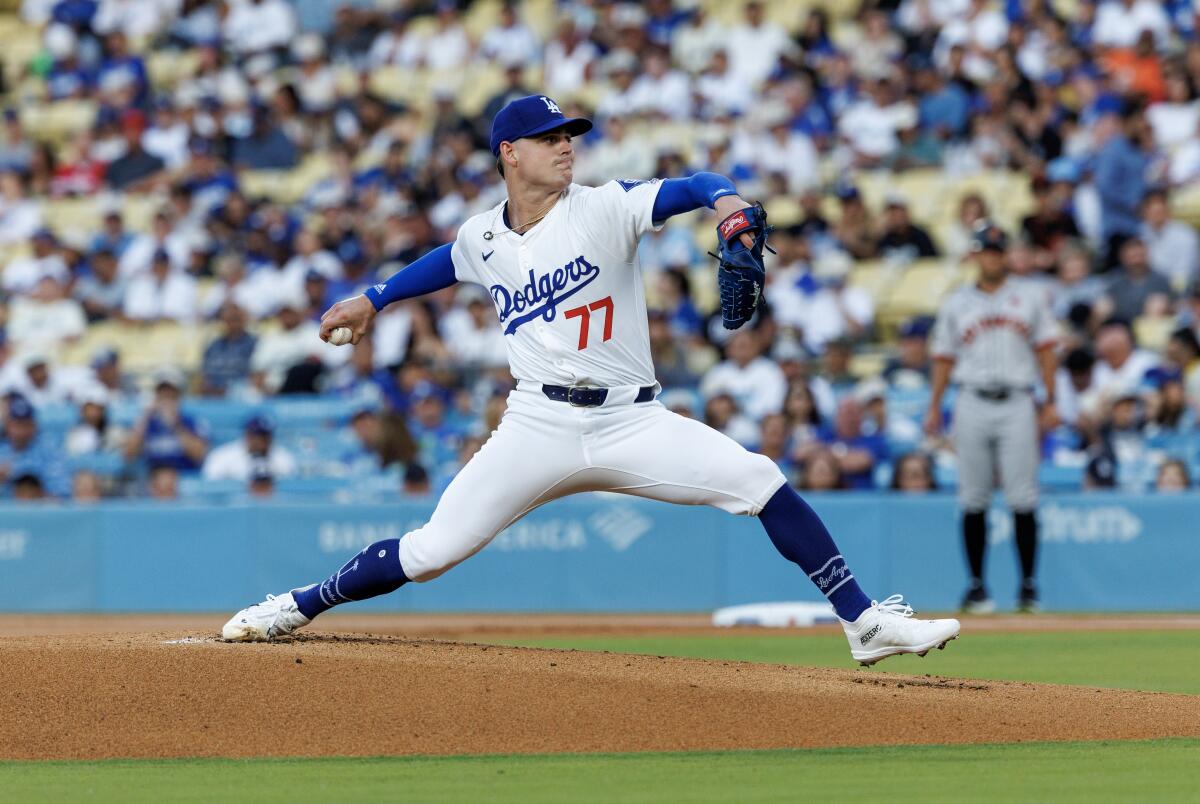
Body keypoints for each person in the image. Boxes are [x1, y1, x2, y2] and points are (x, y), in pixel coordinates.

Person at [221, 94, 959, 665]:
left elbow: (693, 185)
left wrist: (727, 201)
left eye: (569, 134)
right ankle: (297, 604)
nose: (565, 145)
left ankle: (863, 622)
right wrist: (375, 298)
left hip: (633, 421)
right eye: (549, 138)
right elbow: (447, 261)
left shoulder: (603, 208)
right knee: (430, 554)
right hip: (536, 425)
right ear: (509, 154)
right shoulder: (483, 234)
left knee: (759, 478)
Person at [926, 223, 1059, 614]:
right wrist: (934, 404)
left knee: (1023, 496)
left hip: (1018, 399)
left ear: (1006, 255)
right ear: (976, 255)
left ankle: (1029, 587)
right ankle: (977, 585)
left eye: (998, 251)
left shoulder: (1029, 297)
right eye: (986, 251)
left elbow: (1047, 349)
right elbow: (943, 356)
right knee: (973, 496)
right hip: (971, 399)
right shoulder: (957, 302)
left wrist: (1050, 399)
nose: (992, 257)